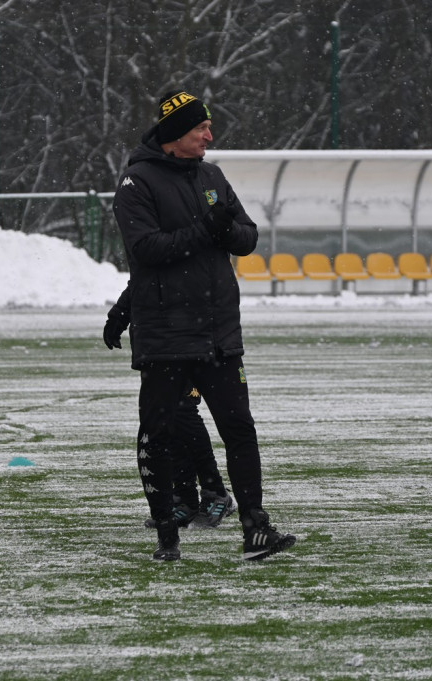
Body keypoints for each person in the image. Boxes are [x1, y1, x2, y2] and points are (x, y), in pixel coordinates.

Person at [111, 89, 296, 561]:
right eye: (201, 130)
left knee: (240, 430)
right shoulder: (136, 183)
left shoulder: (212, 174)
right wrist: (207, 231)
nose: (209, 137)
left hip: (218, 335)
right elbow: (147, 251)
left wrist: (225, 230)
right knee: (160, 433)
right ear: (175, 136)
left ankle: (256, 527)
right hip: (167, 337)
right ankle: (168, 538)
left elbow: (247, 237)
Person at [104, 285, 236, 529]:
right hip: (156, 341)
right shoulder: (155, 250)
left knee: (183, 412)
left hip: (190, 339)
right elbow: (142, 279)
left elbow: (208, 278)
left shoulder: (191, 250)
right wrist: (120, 314)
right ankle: (185, 498)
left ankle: (215, 491)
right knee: (168, 417)